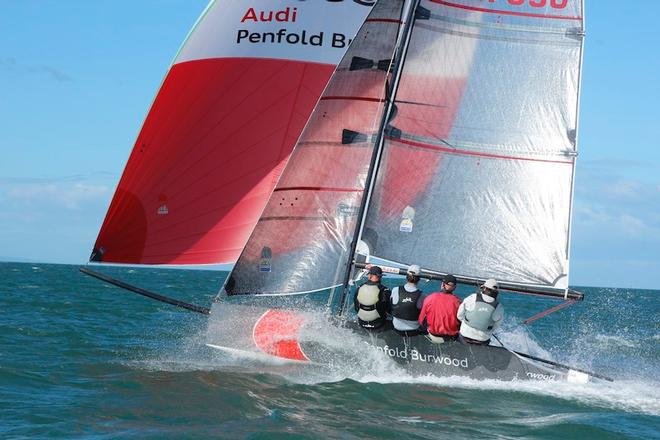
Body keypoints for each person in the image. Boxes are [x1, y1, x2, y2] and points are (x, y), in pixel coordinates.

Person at [457, 278, 504, 345]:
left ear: (484, 289)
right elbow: (495, 326)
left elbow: (459, 316)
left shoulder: (472, 297)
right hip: (482, 340)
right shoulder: (499, 307)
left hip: (465, 336)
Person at [418, 274, 461, 343]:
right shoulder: (458, 302)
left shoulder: (430, 298)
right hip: (451, 338)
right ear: (455, 287)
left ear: (442, 285)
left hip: (433, 336)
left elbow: (421, 321)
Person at [389, 264, 424, 335]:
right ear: (419, 279)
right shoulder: (422, 296)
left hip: (397, 328)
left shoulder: (395, 290)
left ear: (406, 277)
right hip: (414, 330)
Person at [354, 265, 390, 329]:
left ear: (370, 276)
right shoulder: (385, 290)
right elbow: (388, 308)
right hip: (378, 324)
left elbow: (356, 307)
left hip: (362, 323)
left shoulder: (360, 287)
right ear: (380, 276)